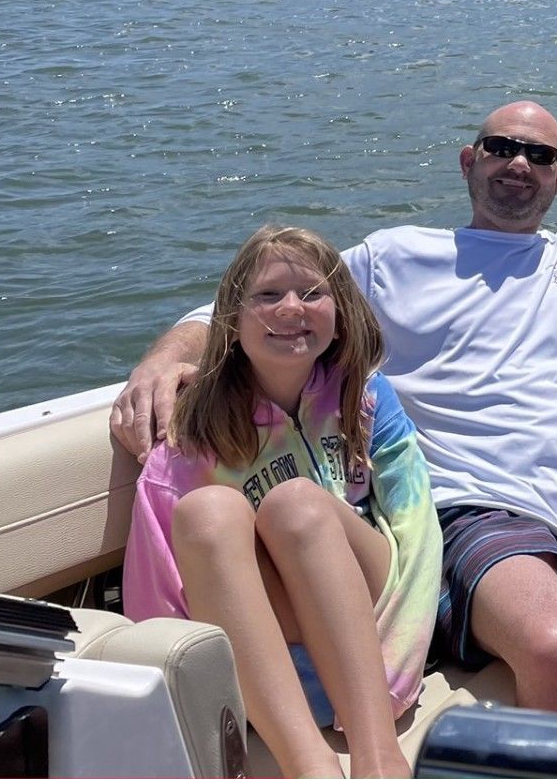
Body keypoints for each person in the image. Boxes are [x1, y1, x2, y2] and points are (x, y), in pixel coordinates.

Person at [111, 102, 557, 727]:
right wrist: (163, 360)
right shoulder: (394, 257)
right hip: (474, 501)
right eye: (502, 147)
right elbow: (263, 299)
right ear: (470, 160)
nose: (519, 163)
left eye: (540, 155)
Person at [123, 226, 441, 779]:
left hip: (371, 615)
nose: (292, 307)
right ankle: (310, 768)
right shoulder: (192, 433)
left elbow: (418, 537)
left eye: (312, 293)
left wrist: (394, 667)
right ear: (230, 317)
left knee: (297, 504)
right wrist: (199, 703)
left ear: (340, 312)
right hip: (269, 655)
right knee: (207, 512)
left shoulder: (365, 396)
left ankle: (377, 758)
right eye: (268, 295)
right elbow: (158, 589)